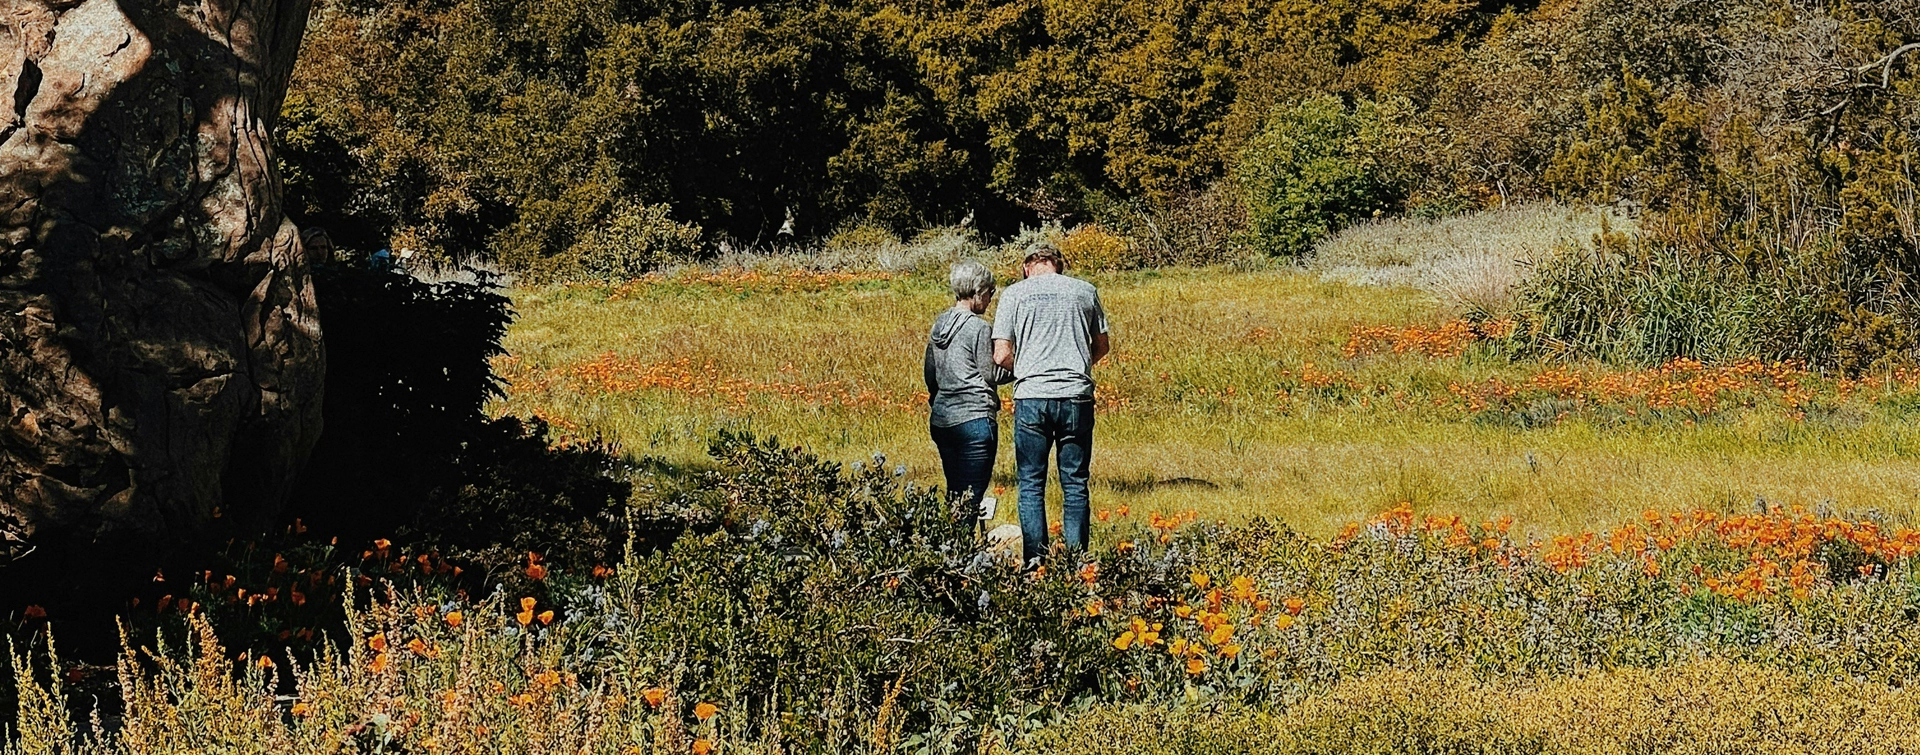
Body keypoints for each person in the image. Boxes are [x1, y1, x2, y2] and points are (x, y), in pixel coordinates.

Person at [992, 242, 1109, 565]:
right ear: (1059, 265)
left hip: (1032, 396)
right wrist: (1077, 367)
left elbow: (1000, 354)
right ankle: (1076, 563)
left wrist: (1029, 368)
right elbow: (1101, 345)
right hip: (1075, 395)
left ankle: (1035, 563)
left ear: (1027, 267)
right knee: (1074, 482)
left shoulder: (1014, 294)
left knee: (1030, 482)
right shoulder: (1085, 291)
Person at [925, 260, 1013, 522]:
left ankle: (947, 551)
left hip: (942, 420)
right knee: (970, 499)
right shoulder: (978, 327)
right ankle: (962, 556)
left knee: (954, 494)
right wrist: (1021, 365)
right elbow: (991, 373)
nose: (990, 298)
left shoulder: (939, 324)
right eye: (989, 292)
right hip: (974, 419)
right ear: (976, 292)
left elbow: (930, 372)